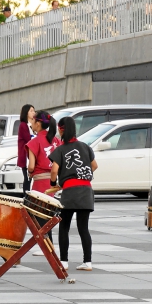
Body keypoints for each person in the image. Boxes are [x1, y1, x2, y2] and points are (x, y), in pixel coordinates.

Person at [47, 117, 98, 271]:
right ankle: (87, 262)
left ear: (61, 130)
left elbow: (54, 170)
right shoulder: (85, 146)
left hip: (70, 192)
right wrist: (80, 175)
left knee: (64, 227)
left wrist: (54, 183)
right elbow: (94, 166)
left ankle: (64, 261)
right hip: (86, 191)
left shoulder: (61, 149)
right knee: (83, 228)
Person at [27, 111, 61, 253]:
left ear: (38, 123)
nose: (31, 124)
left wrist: (29, 173)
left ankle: (45, 245)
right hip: (53, 182)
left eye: (33, 121)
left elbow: (31, 166)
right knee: (48, 214)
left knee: (38, 214)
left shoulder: (34, 142)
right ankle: (48, 244)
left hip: (40, 183)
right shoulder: (56, 141)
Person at [17, 104, 36, 193]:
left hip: (32, 155)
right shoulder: (23, 125)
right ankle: (26, 196)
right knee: (27, 179)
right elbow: (29, 140)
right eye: (31, 111)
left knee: (30, 179)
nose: (33, 113)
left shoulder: (32, 125)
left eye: (34, 111)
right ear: (26, 113)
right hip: (26, 156)